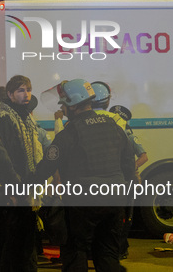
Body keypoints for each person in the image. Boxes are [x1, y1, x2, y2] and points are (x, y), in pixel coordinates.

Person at [31, 79, 135, 271]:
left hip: (83, 202)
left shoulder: (69, 133)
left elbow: (46, 167)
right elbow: (128, 165)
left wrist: (25, 186)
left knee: (75, 251)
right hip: (115, 200)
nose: (62, 108)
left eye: (64, 104)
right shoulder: (115, 127)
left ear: (73, 104)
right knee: (107, 254)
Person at [0, 75, 43, 272]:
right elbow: (5, 157)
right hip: (14, 190)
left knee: (25, 245)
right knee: (12, 247)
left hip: (26, 187)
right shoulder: (5, 117)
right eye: (21, 90)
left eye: (28, 90)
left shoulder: (26, 117)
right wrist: (13, 190)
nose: (26, 94)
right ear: (10, 94)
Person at [109, 104, 149, 260]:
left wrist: (130, 167)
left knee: (126, 217)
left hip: (128, 180)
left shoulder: (129, 136)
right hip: (114, 181)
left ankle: (122, 248)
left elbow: (144, 156)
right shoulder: (109, 136)